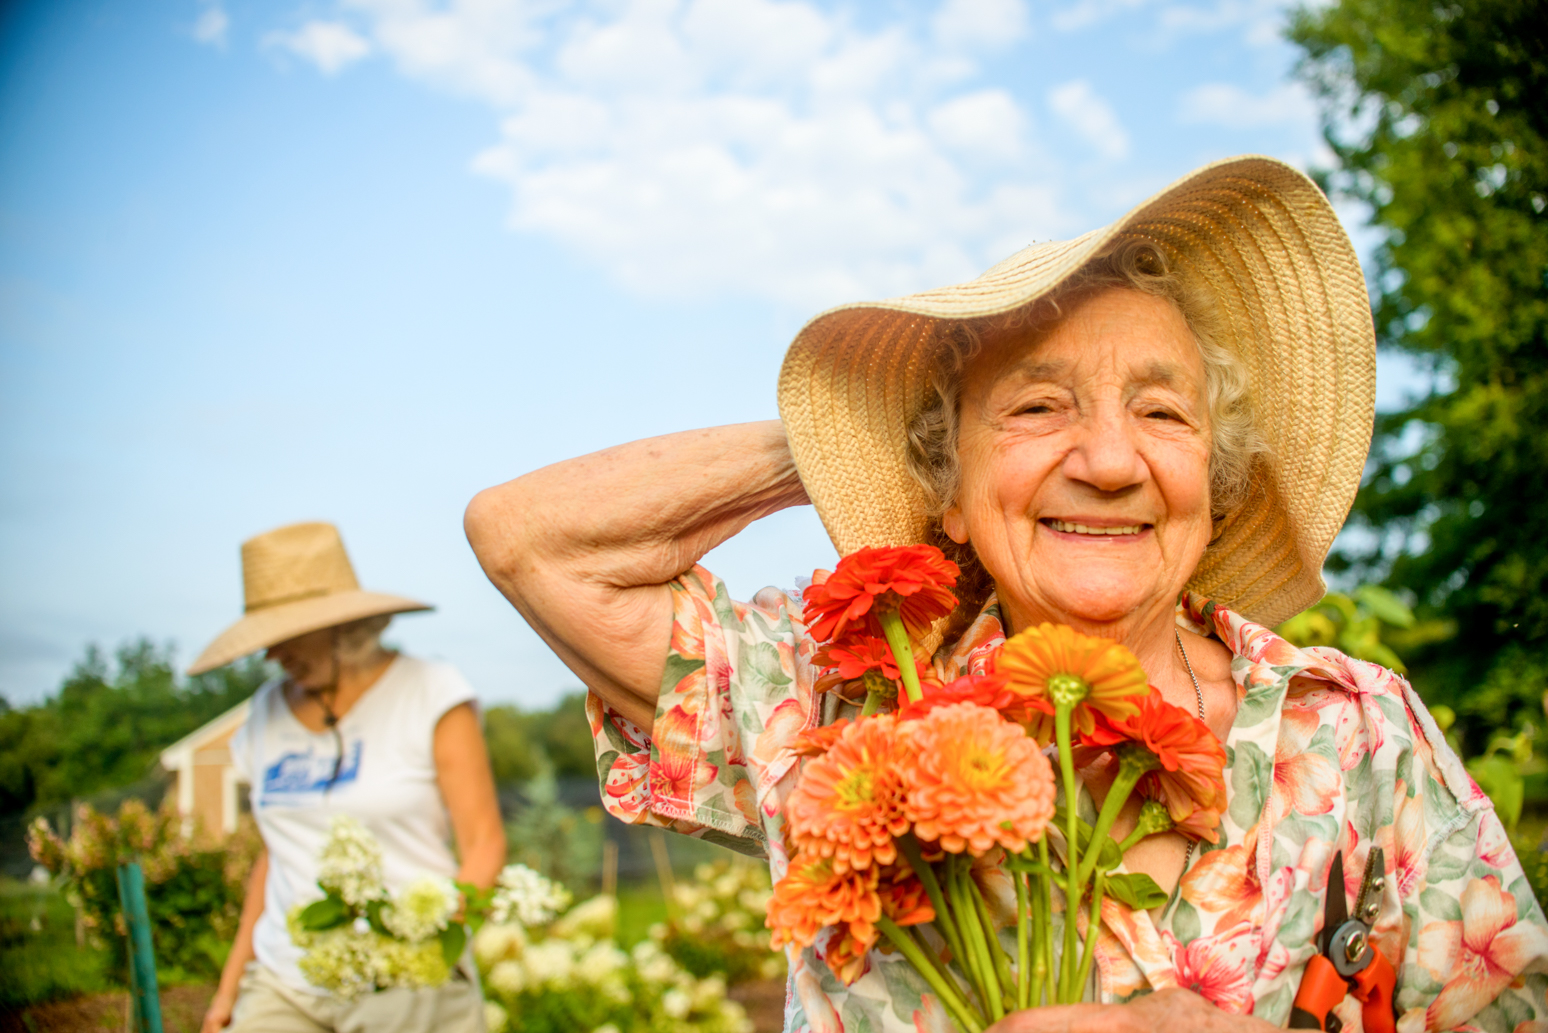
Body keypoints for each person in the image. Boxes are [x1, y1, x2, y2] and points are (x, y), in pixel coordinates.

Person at [464, 156, 1548, 1031]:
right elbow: (528, 540)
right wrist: (856, 444)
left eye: (1165, 414)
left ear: (1212, 488)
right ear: (950, 489)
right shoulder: (836, 707)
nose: (1113, 460)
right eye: (1038, 408)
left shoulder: (1357, 729)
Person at [196, 521, 504, 1033]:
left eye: (286, 636)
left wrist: (424, 949)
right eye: (266, 640)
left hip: (406, 983)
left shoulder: (430, 692)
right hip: (285, 982)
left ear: (342, 625)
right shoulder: (264, 713)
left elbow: (484, 845)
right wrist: (228, 992)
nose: (273, 655)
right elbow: (275, 856)